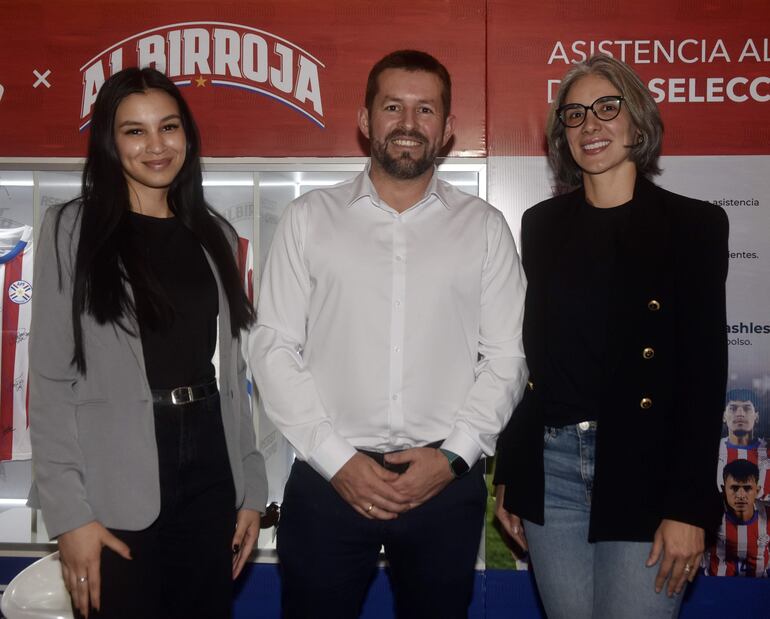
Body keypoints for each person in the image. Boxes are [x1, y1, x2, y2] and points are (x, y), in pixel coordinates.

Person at [249, 49, 527, 618]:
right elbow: (272, 346)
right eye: (393, 106)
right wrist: (338, 460)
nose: (407, 123)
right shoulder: (308, 219)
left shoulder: (484, 228)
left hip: (444, 488)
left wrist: (453, 458)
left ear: (448, 129)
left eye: (425, 109)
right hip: (327, 483)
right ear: (365, 119)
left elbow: (507, 358)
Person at [493, 54, 729, 618]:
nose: (590, 125)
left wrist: (690, 508)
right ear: (561, 137)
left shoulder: (695, 226)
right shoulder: (540, 226)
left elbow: (703, 377)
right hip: (552, 470)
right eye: (574, 115)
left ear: (638, 122)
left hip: (646, 470)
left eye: (606, 107)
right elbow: (532, 362)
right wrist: (514, 471)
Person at [27, 67, 267, 619]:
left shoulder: (217, 236)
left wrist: (250, 489)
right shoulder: (70, 230)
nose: (156, 146)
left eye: (169, 127)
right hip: (115, 479)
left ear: (188, 135)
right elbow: (50, 382)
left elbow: (230, 380)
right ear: (110, 144)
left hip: (209, 465)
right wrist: (70, 517)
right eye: (134, 131)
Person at [706, 459, 770, 577]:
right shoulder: (710, 512)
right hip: (717, 585)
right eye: (734, 488)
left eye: (747, 488)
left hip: (759, 587)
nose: (740, 495)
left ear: (757, 490)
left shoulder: (767, 515)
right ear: (724, 489)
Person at [717, 389, 769, 499]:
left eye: (747, 408)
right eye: (733, 409)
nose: (740, 414)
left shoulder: (767, 453)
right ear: (724, 416)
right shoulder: (712, 452)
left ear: (756, 416)